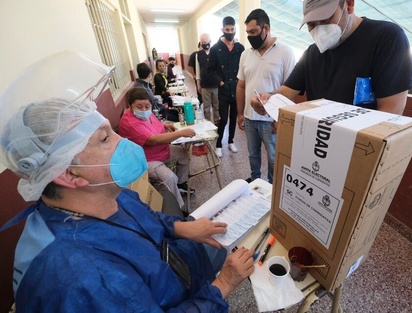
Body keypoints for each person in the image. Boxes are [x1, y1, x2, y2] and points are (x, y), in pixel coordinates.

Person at [0, 51, 255, 312]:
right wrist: (224, 283)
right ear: (69, 174)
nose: (124, 140)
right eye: (104, 139)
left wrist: (181, 229)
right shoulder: (83, 278)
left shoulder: (105, 193)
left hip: (175, 273)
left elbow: (146, 219)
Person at [251, 0, 412, 116]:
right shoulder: (312, 54)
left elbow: (390, 114)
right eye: (311, 25)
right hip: (320, 148)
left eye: (325, 19)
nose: (319, 29)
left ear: (348, 4)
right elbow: (285, 91)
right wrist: (268, 99)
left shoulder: (386, 38)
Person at [237, 9, 296, 183]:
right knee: (253, 155)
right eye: (247, 33)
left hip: (272, 119)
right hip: (249, 118)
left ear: (266, 28)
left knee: (273, 157)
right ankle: (255, 181)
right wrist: (240, 113)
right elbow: (241, 86)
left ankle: (271, 186)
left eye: (253, 32)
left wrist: (281, 119)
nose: (250, 36)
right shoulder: (245, 54)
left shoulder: (285, 52)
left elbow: (291, 90)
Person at [119, 87, 195, 209]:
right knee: (169, 177)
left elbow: (153, 125)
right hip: (147, 160)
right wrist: (180, 133)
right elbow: (152, 140)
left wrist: (164, 125)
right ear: (130, 105)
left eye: (147, 106)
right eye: (139, 106)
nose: (144, 110)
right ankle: (178, 209)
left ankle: (181, 184)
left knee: (184, 154)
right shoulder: (130, 122)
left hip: (161, 151)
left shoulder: (146, 115)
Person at [207, 16, 245, 158]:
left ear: (235, 29)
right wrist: (220, 82)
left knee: (234, 117)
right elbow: (210, 71)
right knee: (223, 119)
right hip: (223, 91)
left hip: (237, 90)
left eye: (232, 29)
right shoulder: (216, 49)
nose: (230, 32)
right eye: (227, 29)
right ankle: (218, 144)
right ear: (222, 30)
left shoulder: (240, 48)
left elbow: (244, 68)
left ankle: (231, 141)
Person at [196, 33, 220, 124]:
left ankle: (217, 122)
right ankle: (208, 124)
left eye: (205, 42)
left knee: (216, 106)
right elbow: (198, 70)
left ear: (210, 41)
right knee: (206, 107)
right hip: (204, 85)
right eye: (201, 42)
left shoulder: (215, 52)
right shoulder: (198, 54)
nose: (203, 44)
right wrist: (198, 83)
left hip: (215, 85)